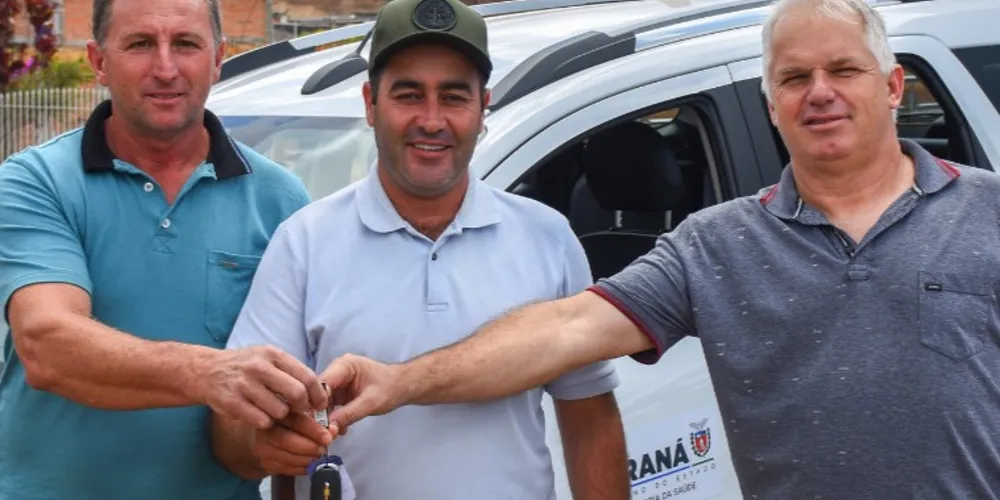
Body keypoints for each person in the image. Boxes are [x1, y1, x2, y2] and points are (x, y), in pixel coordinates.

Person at [313, 0, 1000, 498]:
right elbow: (563, 328)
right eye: (793, 78)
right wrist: (399, 381)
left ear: (890, 85)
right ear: (771, 105)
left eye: (843, 70)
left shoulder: (989, 211)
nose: (818, 94)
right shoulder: (719, 244)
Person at [210, 0, 629, 498]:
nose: (431, 121)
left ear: (482, 107)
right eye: (409, 95)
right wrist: (263, 444)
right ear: (370, 103)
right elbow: (232, 430)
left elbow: (590, 420)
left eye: (453, 97)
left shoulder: (547, 237)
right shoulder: (304, 243)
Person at [0, 0, 328, 498]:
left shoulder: (281, 199)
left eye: (186, 44)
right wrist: (208, 372)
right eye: (139, 44)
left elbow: (289, 398)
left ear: (218, 58)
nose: (165, 68)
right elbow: (47, 345)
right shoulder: (35, 182)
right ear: (98, 61)